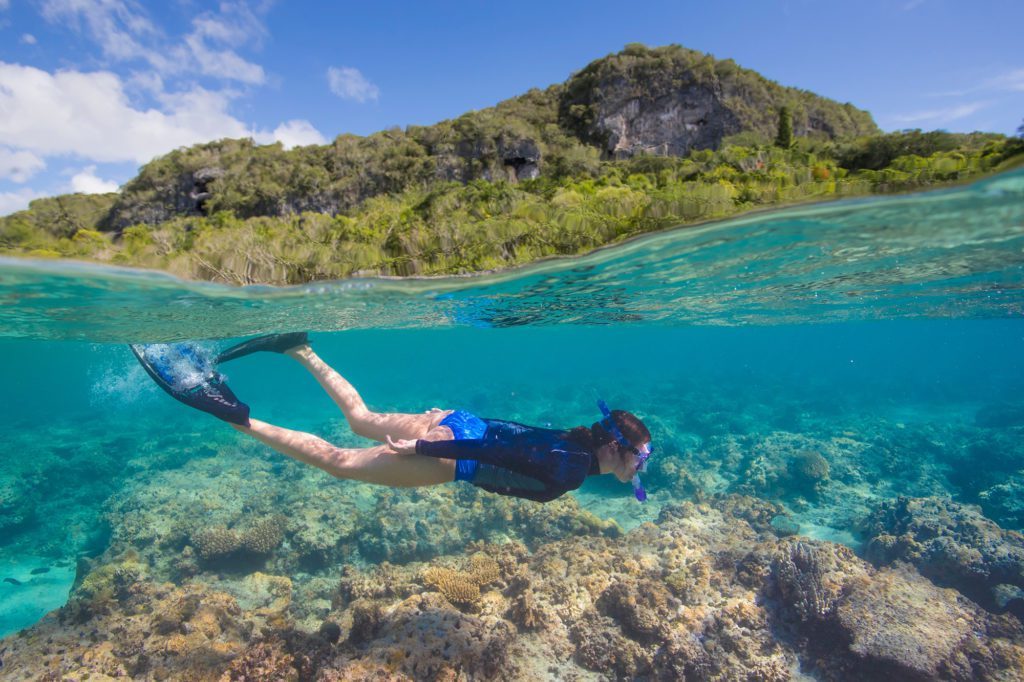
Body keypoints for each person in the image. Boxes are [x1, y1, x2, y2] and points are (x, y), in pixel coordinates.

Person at [133, 333, 654, 503]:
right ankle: (234, 416)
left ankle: (298, 348)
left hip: (462, 421)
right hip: (455, 456)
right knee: (338, 461)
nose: (642, 468)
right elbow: (495, 452)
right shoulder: (571, 469)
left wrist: (445, 424)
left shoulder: (574, 445)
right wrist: (427, 448)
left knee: (360, 418)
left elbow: (509, 436)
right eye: (641, 457)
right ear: (615, 447)